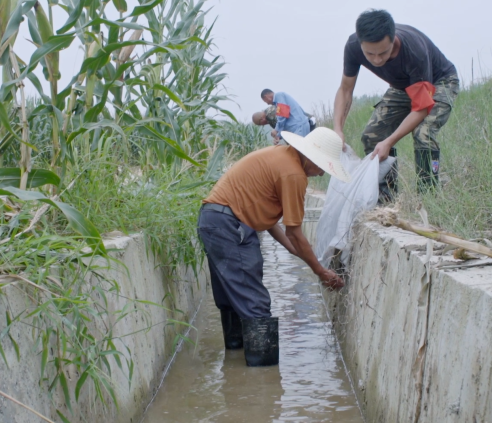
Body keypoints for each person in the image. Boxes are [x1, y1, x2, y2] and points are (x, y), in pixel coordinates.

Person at [197, 127, 349, 367]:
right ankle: (263, 384)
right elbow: (295, 233)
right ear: (310, 156)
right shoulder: (293, 174)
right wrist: (320, 271)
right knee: (255, 303)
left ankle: (235, 362)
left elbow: (270, 222)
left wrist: (295, 251)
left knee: (231, 297)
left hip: (214, 221)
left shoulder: (281, 157)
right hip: (230, 226)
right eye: (322, 166)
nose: (320, 173)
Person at [332, 9, 460, 199]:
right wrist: (338, 129)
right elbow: (345, 90)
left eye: (383, 53)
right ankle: (387, 201)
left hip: (439, 82)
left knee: (423, 133)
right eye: (370, 54)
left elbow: (422, 107)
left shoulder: (413, 50)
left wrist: (390, 141)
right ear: (360, 43)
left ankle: (428, 198)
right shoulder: (352, 46)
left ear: (393, 40)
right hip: (402, 87)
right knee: (372, 136)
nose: (377, 60)